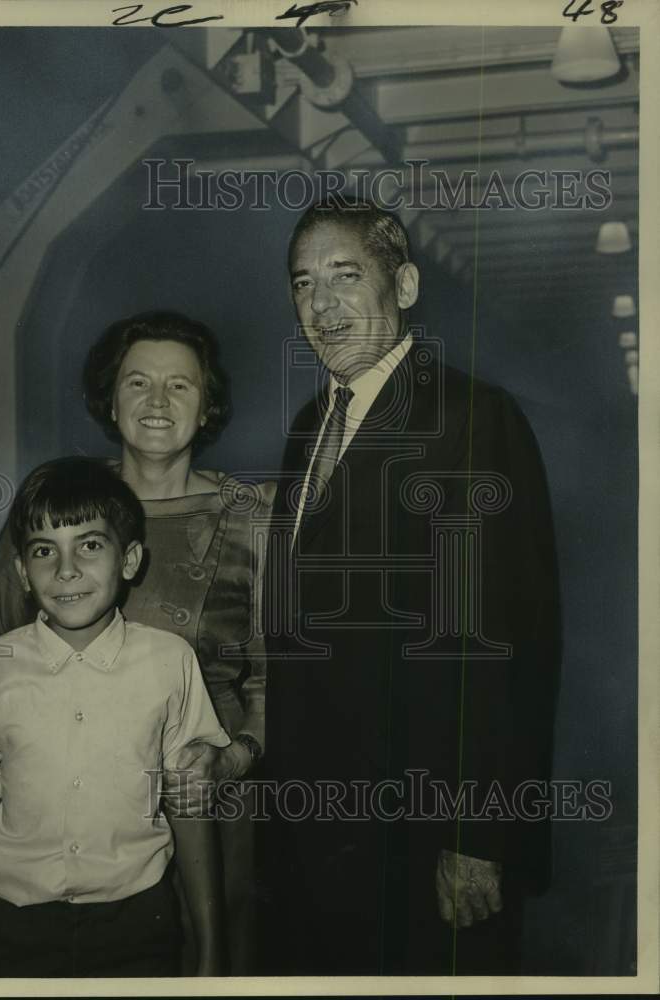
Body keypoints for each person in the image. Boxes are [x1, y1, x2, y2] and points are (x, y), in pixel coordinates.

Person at [261, 198, 561, 975]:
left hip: (423, 833)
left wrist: (476, 837)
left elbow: (507, 647)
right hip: (313, 834)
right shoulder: (308, 426)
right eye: (301, 284)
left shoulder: (470, 418)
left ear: (405, 283)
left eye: (343, 275)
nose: (320, 306)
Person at [0, 312, 274, 974]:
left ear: (207, 405)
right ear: (108, 397)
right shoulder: (63, 505)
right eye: (137, 382)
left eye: (179, 386)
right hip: (52, 805)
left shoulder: (253, 517)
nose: (156, 403)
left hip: (205, 801)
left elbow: (282, 680)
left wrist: (233, 759)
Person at [0, 457, 229, 977]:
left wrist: (209, 953)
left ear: (130, 558)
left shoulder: (170, 661)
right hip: (12, 930)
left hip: (138, 925)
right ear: (23, 571)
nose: (66, 570)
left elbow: (191, 809)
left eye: (90, 545)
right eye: (44, 550)